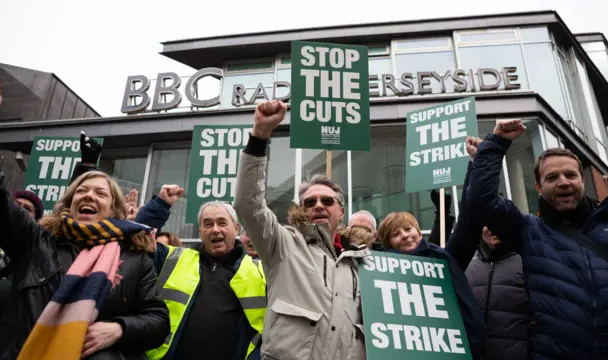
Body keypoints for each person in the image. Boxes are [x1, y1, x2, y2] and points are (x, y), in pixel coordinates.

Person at [0, 82, 170, 360]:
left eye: (100, 193)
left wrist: (119, 328)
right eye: (81, 191)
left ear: (115, 210)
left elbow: (158, 320)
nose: (88, 196)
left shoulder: (135, 259)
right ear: (69, 203)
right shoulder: (37, 241)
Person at [467, 119, 608, 359]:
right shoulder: (529, 230)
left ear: (582, 180)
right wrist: (495, 145)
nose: (563, 182)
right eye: (552, 178)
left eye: (570, 175)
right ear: (538, 187)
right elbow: (481, 202)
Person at [234, 100, 369, 360]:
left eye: (327, 201)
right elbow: (247, 203)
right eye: (310, 202)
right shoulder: (282, 245)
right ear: (302, 210)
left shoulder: (363, 263)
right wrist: (260, 135)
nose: (318, 205)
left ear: (341, 212)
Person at [135, 195, 266, 360]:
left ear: (236, 228)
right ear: (200, 231)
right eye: (208, 224)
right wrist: (160, 205)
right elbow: (139, 239)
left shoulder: (261, 271)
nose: (215, 229)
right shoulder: (173, 258)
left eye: (222, 223)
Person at [376, 211, 486, 359]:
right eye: (396, 234)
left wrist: (474, 342)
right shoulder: (381, 272)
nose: (404, 235)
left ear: (418, 231)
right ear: (388, 243)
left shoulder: (440, 258)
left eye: (408, 229)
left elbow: (464, 303)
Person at [465, 226, 530, 360]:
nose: (493, 228)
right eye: (487, 224)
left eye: (497, 222)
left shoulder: (528, 262)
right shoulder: (467, 264)